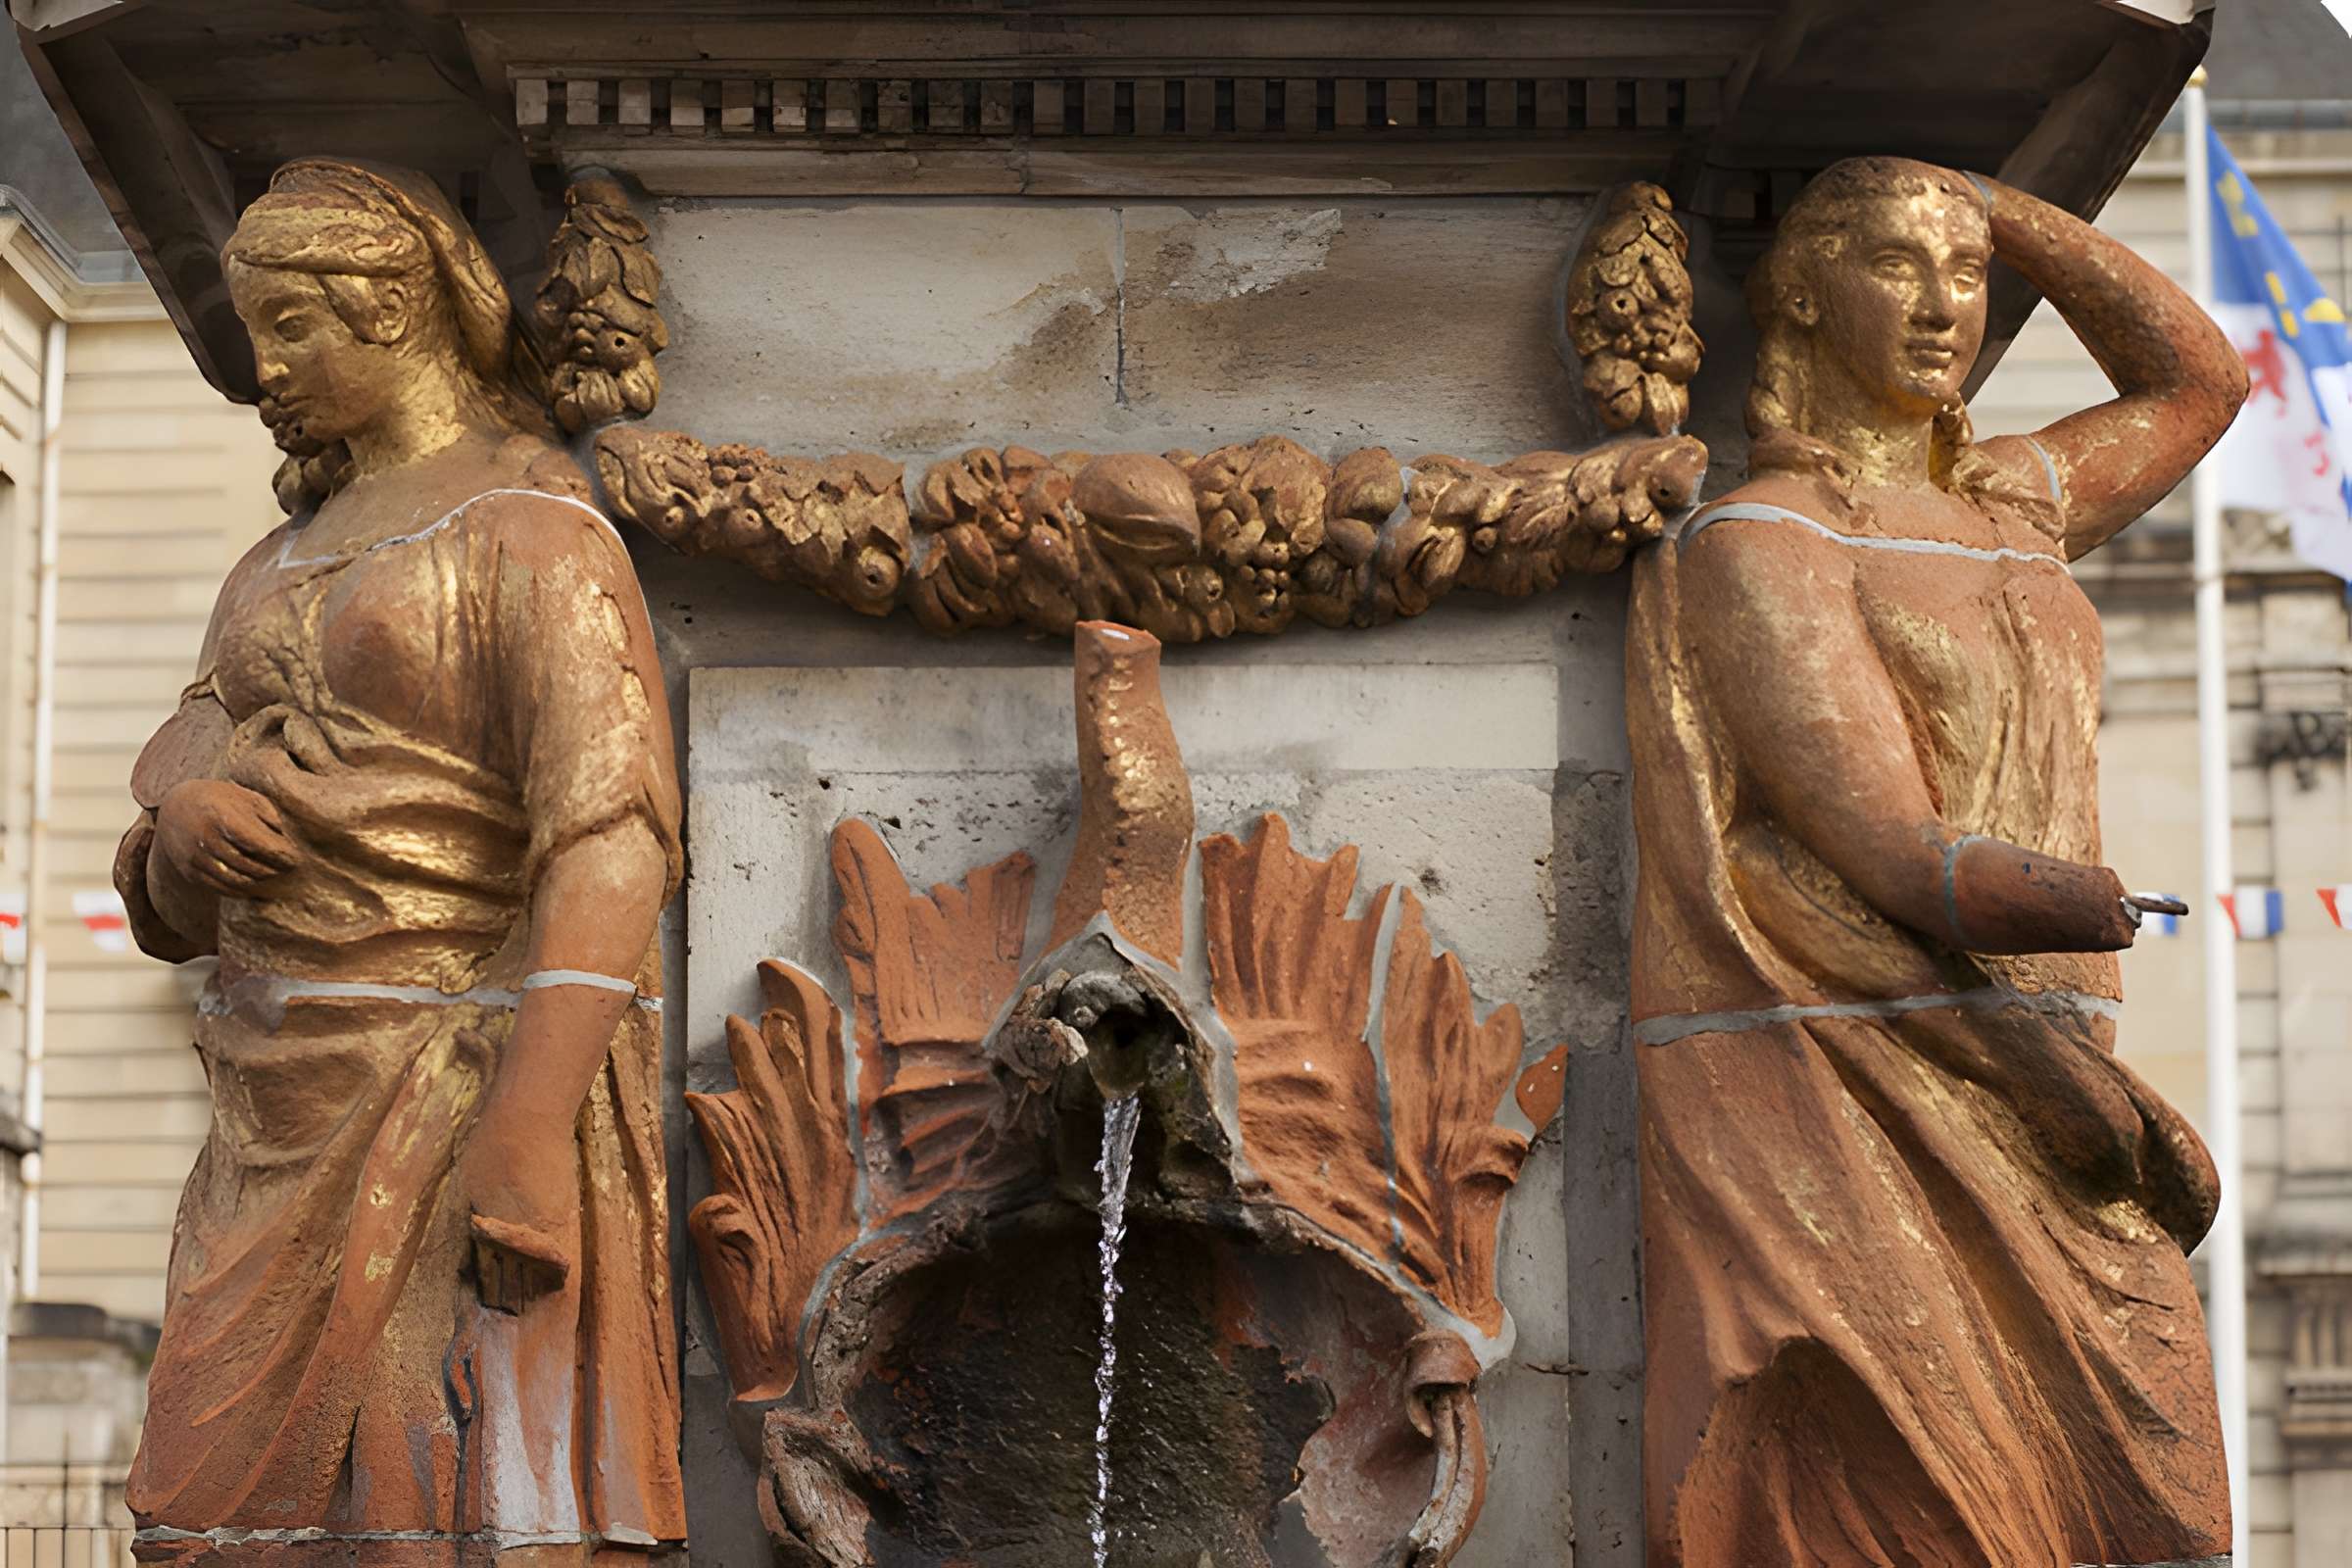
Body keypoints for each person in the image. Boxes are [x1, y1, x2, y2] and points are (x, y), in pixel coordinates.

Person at [1628, 157, 2247, 1566]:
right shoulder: (1770, 541)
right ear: (1798, 289)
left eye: (1964, 277)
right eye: (1896, 265)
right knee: (1923, 1513)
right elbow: (1888, 855)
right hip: (1881, 1068)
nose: (1943, 307)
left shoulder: (2014, 503)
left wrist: (1991, 200)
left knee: (2158, 1506)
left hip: (2048, 1058)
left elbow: (2202, 385)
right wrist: (2079, 903)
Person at [115, 159, 686, 1566]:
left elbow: (612, 835)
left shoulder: (529, 524)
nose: (267, 374)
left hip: (453, 1078)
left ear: (399, 312)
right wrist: (180, 836)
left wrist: (531, 1124)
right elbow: (175, 780)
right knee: (206, 1528)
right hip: (272, 1090)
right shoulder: (273, 560)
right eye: (254, 333)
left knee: (430, 1513)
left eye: (296, 328)